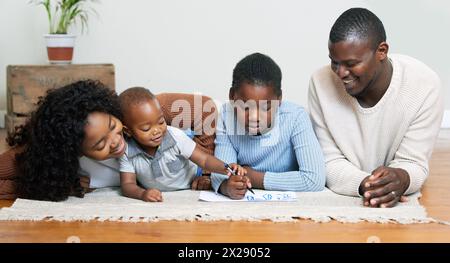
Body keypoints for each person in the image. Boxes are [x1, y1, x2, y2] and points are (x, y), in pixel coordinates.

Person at [308, 8, 444, 208]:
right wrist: (366, 184)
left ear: (382, 51)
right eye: (334, 62)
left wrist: (402, 178)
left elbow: (414, 163)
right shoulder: (320, 82)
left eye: (351, 63)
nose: (341, 73)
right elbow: (327, 162)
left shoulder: (424, 85)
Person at [0, 81, 218, 200]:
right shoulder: (59, 160)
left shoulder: (138, 112)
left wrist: (205, 171)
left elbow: (205, 108)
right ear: (75, 151)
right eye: (100, 145)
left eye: (113, 127)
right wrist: (58, 186)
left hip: (219, 148)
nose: (115, 141)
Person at [211, 53, 326, 199]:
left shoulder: (295, 117)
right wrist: (226, 187)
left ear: (279, 100)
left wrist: (254, 177)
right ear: (232, 96)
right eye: (245, 107)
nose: (254, 117)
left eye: (266, 108)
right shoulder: (227, 116)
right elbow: (221, 171)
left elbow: (314, 180)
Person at [118, 87, 246, 202]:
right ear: (128, 131)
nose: (157, 130)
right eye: (146, 129)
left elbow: (205, 159)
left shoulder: (174, 136)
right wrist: (142, 194)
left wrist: (225, 167)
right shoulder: (127, 151)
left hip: (195, 175)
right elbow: (127, 185)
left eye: (161, 122)